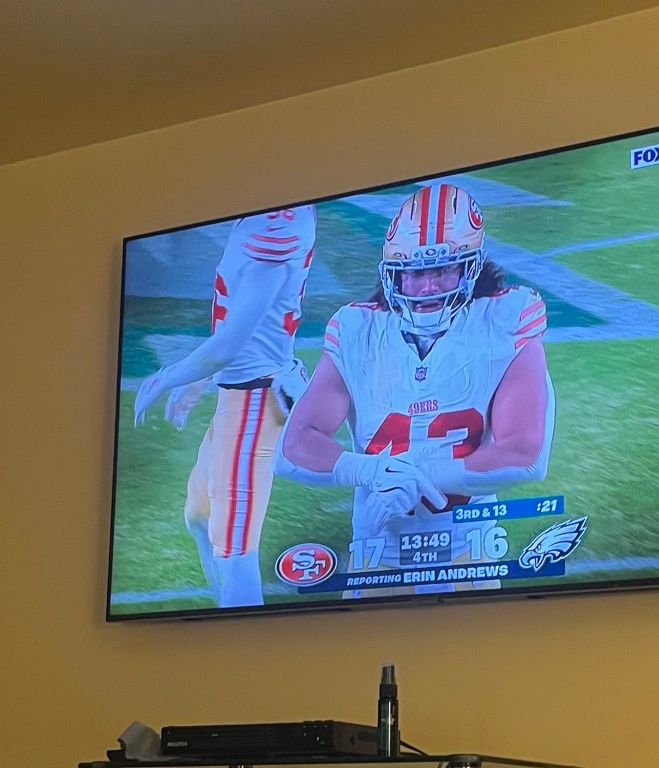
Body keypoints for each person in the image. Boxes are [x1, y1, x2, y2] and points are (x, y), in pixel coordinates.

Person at [275, 183, 554, 593]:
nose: (427, 287)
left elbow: (525, 454)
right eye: (415, 272)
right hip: (378, 549)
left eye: (442, 270)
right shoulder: (358, 330)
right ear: (394, 273)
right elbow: (294, 447)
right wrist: (371, 471)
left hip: (468, 550)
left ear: (471, 267)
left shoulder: (504, 320)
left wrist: (413, 479)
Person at [133, 205, 316, 607]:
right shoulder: (264, 216)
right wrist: (199, 381)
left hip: (253, 404)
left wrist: (165, 378)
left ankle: (241, 630)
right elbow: (240, 321)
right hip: (239, 397)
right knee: (198, 515)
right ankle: (227, 612)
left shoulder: (275, 231)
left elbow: (230, 345)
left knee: (234, 551)